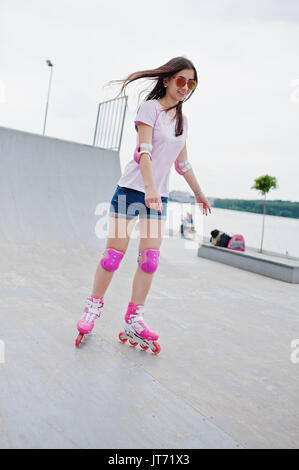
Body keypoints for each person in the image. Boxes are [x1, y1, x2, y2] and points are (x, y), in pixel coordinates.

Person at [75, 56, 211, 352]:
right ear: (166, 80)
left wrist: (199, 193)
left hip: (157, 197)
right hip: (131, 190)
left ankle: (133, 318)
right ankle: (93, 307)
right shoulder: (149, 109)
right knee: (113, 256)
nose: (185, 87)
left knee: (150, 260)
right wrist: (149, 188)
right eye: (180, 80)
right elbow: (144, 152)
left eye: (191, 83)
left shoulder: (182, 121)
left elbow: (183, 163)